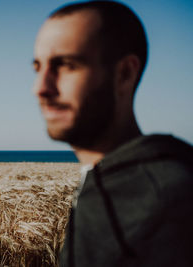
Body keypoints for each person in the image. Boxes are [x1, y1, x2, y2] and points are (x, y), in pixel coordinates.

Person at [32, 1, 193, 266]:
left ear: (125, 74)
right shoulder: (106, 180)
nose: (40, 88)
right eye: (38, 67)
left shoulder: (170, 201)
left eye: (66, 65)